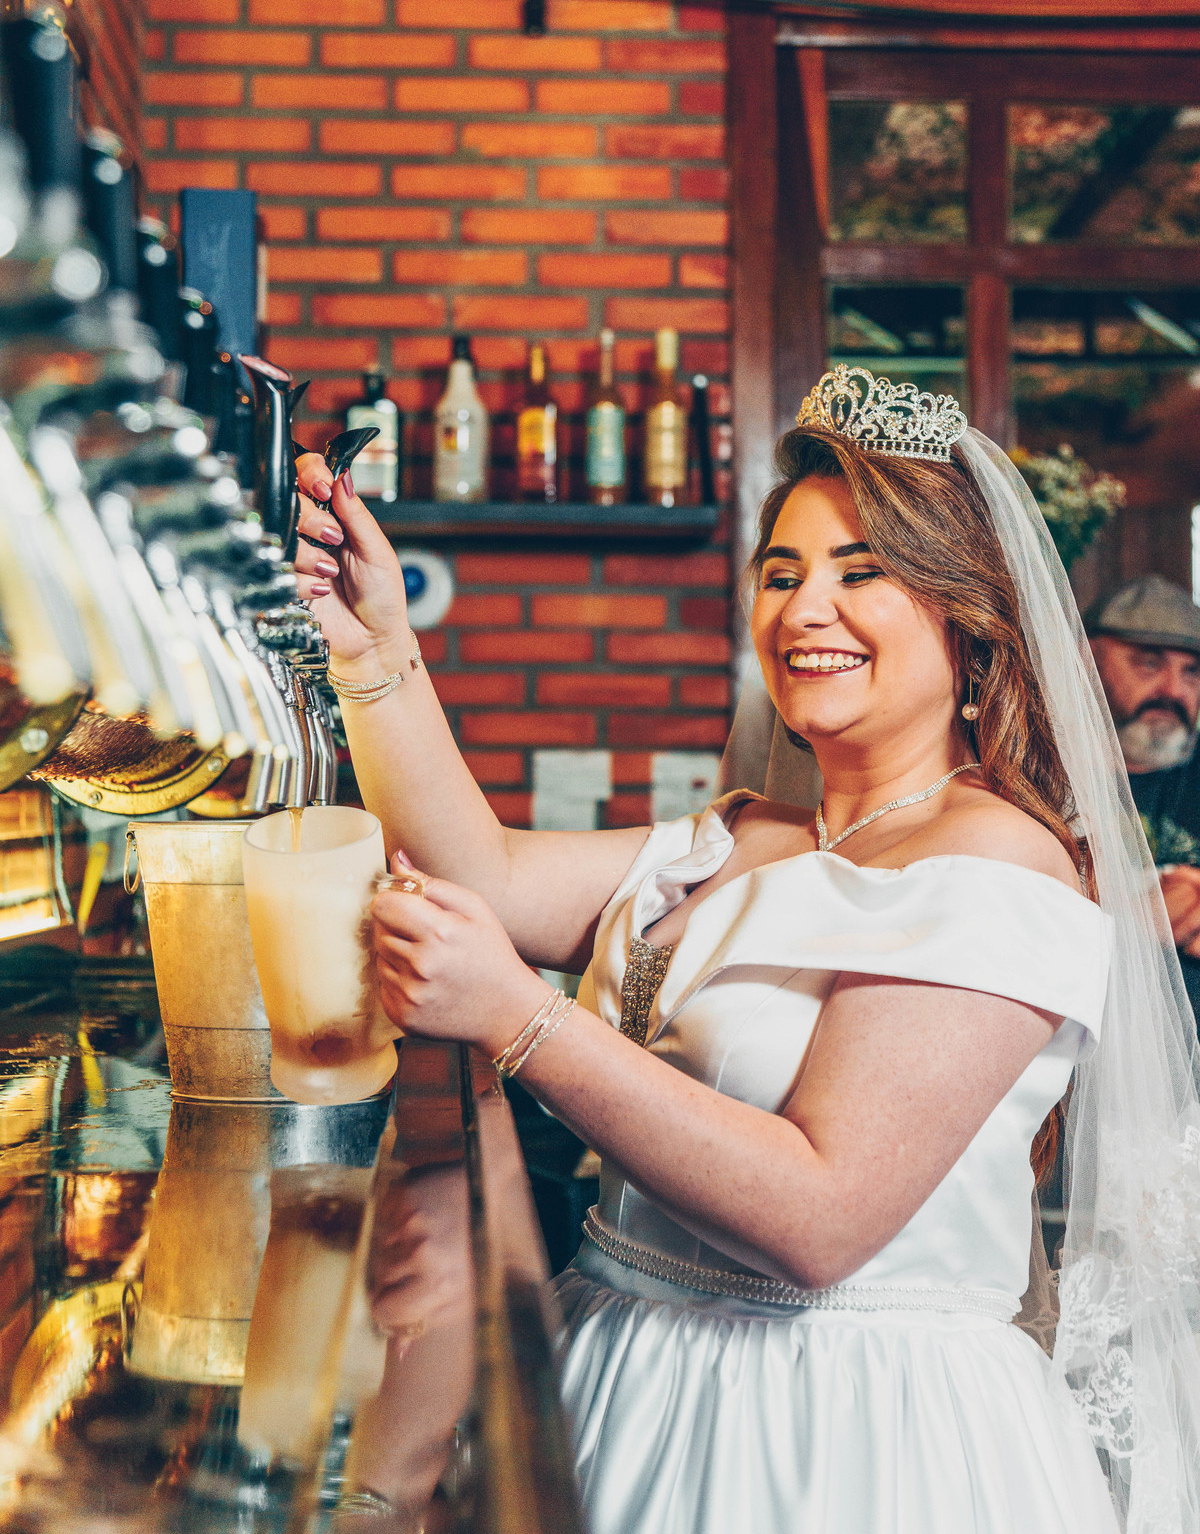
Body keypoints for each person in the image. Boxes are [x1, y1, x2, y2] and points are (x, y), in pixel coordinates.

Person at [294, 366, 1200, 1534]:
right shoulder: (747, 831)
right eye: (782, 574)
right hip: (627, 1373)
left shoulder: (998, 864)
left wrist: (520, 1018)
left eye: (861, 575)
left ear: (966, 617)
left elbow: (821, 1218)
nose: (804, 610)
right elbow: (487, 878)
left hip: (839, 1439)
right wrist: (377, 651)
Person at [1087, 576, 1200, 1021]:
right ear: (1087, 661)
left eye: (1191, 671)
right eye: (1148, 664)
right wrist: (1131, 920)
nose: (1174, 691)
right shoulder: (1032, 777)